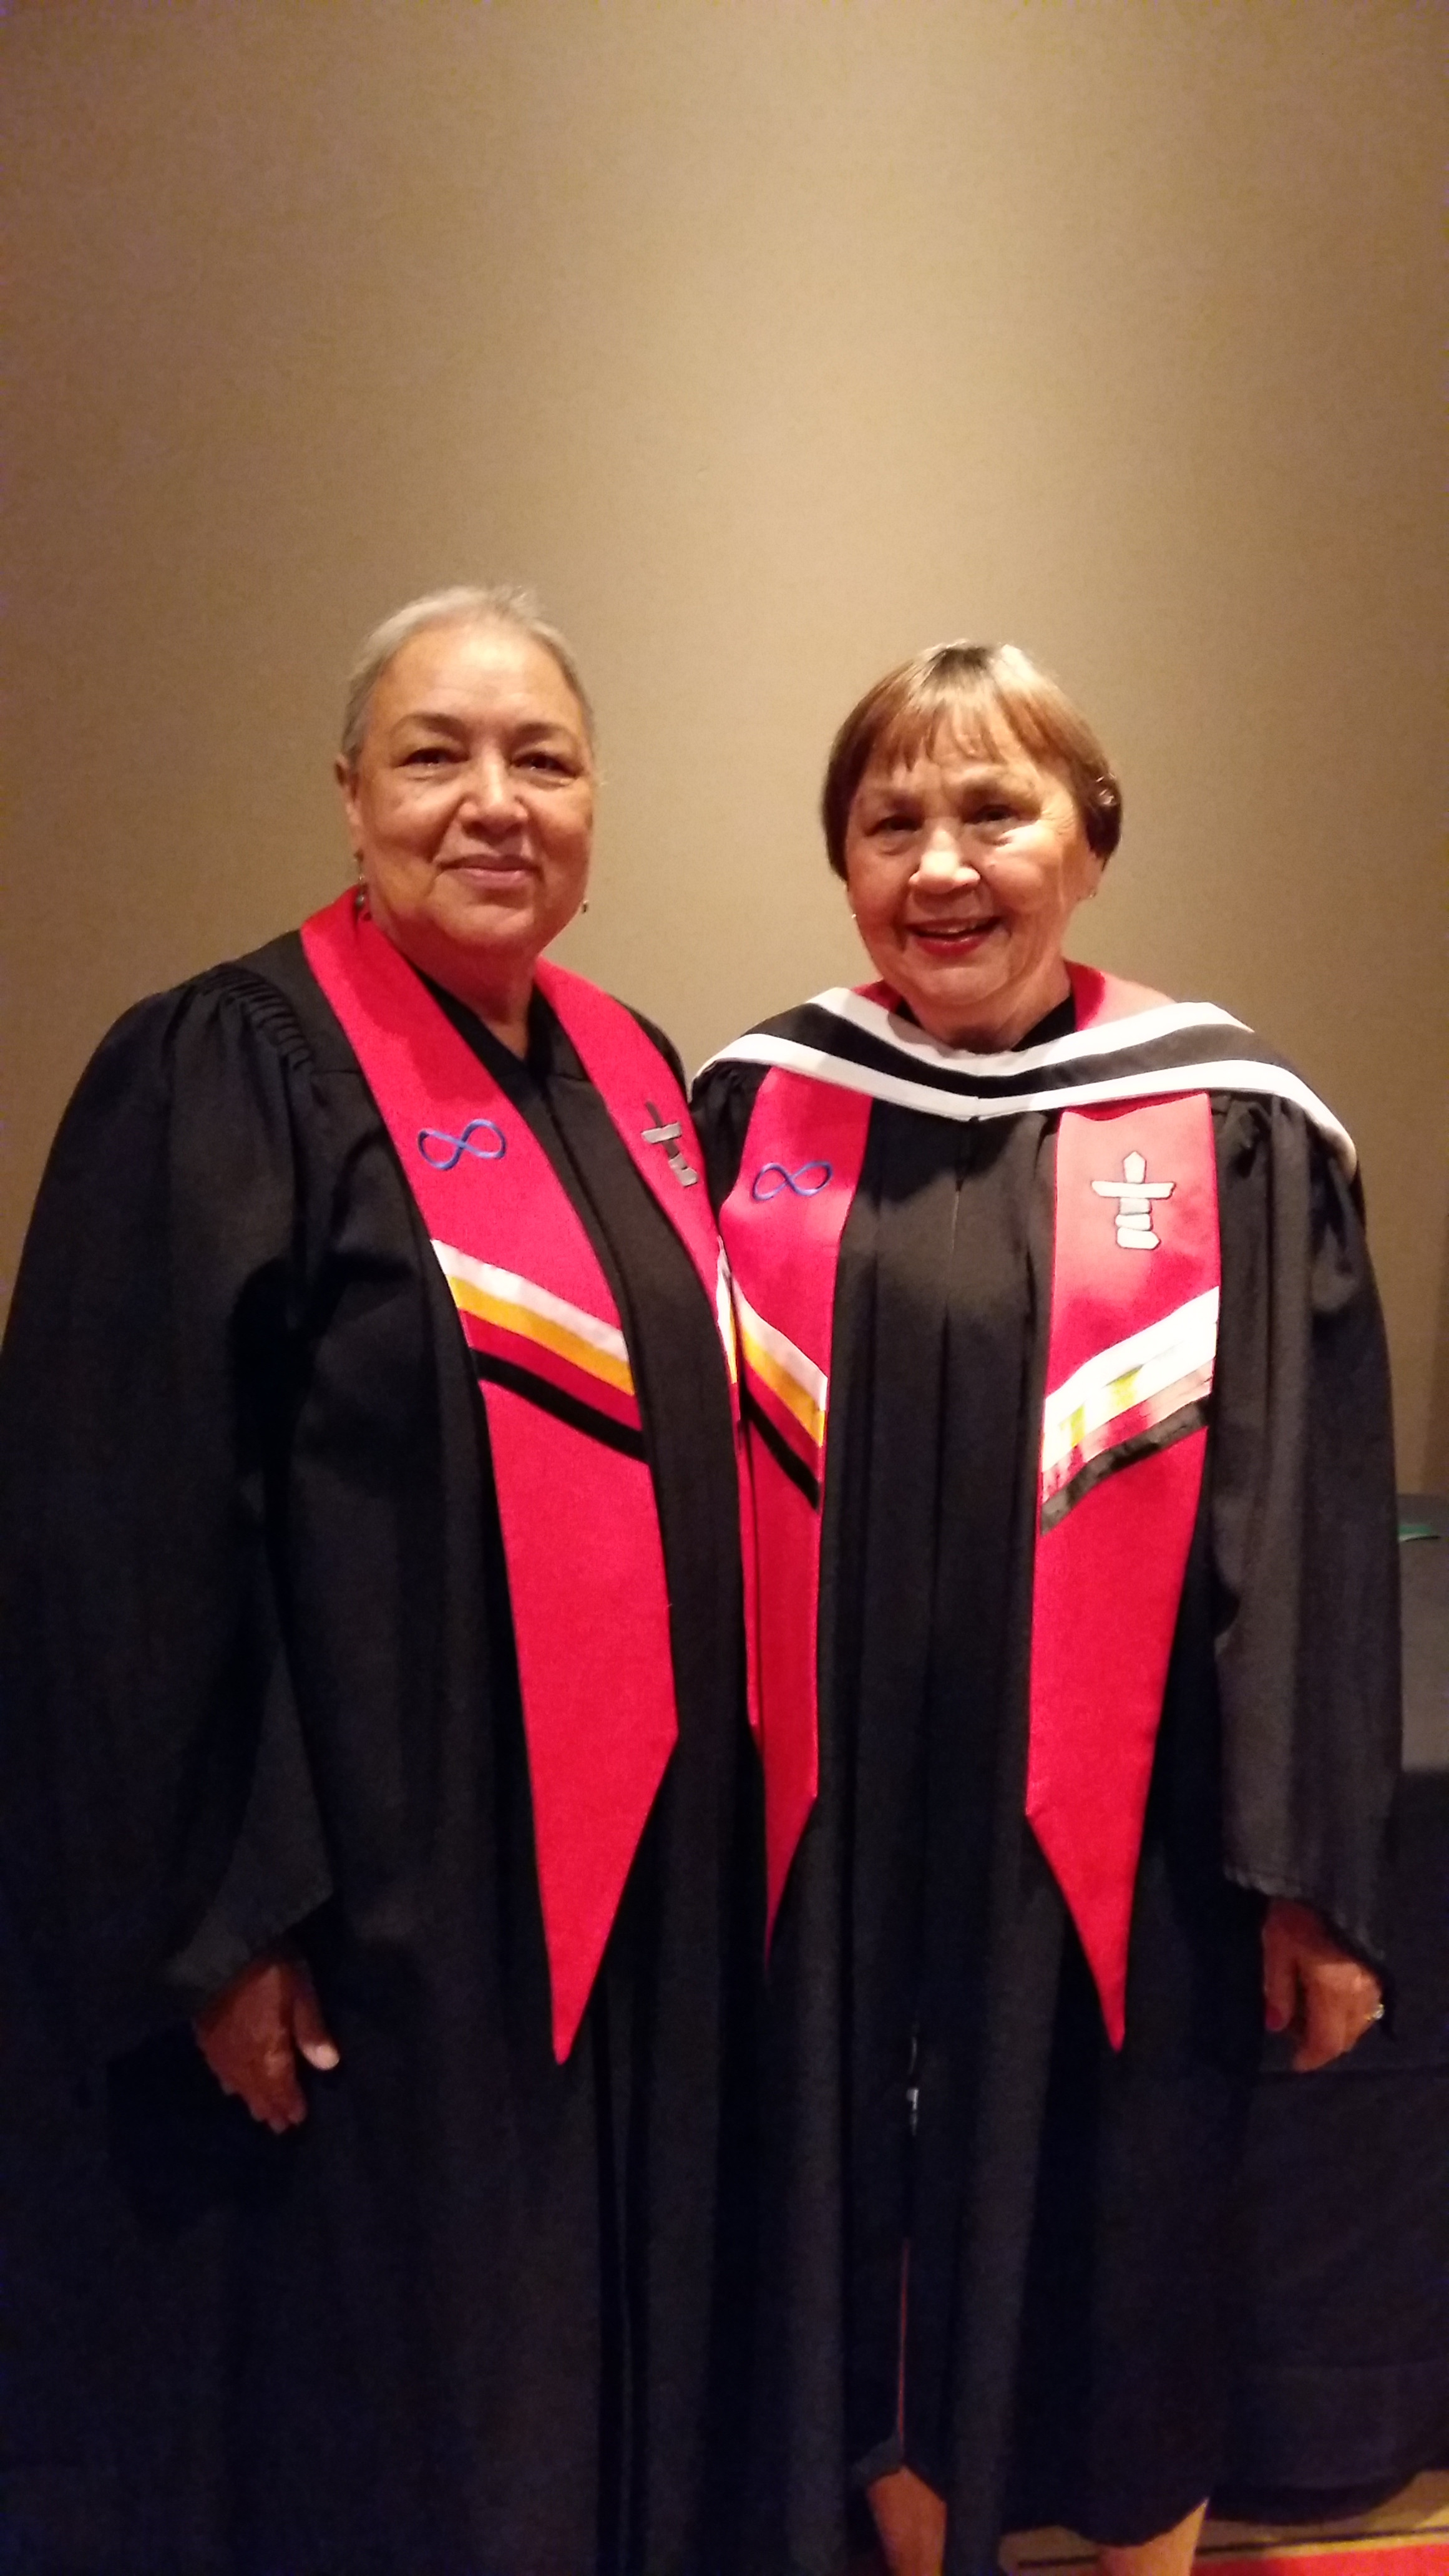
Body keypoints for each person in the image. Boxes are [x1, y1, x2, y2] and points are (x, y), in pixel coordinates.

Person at [0, 587, 754, 2576]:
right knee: (399, 2421)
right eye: (436, 756)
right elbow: (117, 1534)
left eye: (544, 760)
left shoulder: (633, 1073)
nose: (493, 803)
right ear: (348, 798)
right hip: (381, 1927)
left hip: (624, 1917)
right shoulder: (224, 1069)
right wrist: (223, 1918)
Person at [691, 643, 1398, 2576]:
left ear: (1084, 839)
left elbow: (1302, 1525)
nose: (940, 861)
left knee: (1122, 2232)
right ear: (841, 861)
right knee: (861, 2234)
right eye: (888, 818)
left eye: (991, 809)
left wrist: (1303, 1878)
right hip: (823, 1849)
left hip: (1120, 1856)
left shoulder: (1232, 1127)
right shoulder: (756, 1114)